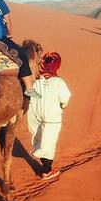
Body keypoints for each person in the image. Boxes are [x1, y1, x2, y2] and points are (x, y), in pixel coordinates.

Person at [27, 52, 71, 181]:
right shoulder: (59, 82)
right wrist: (63, 106)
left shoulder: (35, 80)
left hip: (35, 115)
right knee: (49, 143)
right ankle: (46, 171)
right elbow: (65, 98)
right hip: (51, 117)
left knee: (39, 139)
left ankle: (43, 164)